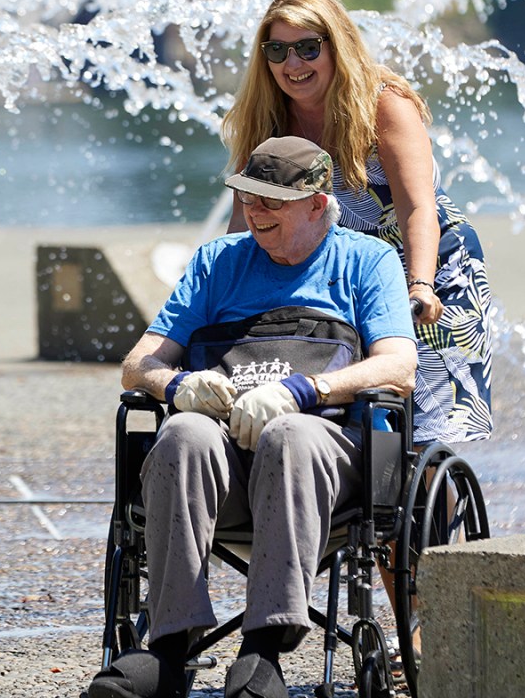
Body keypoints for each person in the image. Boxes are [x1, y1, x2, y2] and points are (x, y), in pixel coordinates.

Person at [86, 136, 416, 698]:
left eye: (271, 201)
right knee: (183, 433)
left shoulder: (367, 259)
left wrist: (309, 389)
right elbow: (137, 363)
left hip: (324, 459)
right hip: (227, 461)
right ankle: (168, 648)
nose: (254, 211)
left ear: (316, 203)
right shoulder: (219, 261)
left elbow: (399, 365)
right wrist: (178, 383)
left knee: (289, 435)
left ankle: (263, 651)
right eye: (248, 197)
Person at [219, 0, 492, 445]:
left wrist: (420, 284)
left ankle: (435, 505)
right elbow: (244, 223)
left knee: (422, 435)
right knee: (348, 423)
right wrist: (213, 295)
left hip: (427, 265)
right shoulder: (266, 118)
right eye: (278, 50)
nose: (293, 64)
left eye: (308, 48)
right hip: (348, 272)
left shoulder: (382, 104)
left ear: (336, 45)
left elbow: (419, 208)